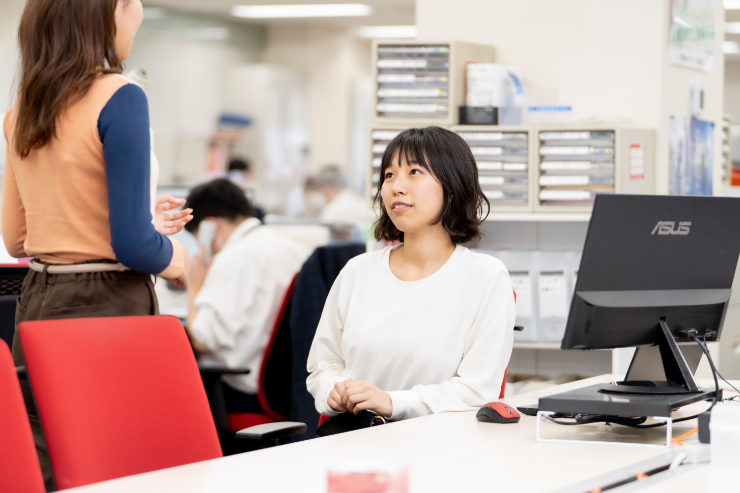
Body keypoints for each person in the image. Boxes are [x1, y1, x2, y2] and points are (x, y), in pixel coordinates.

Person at [2, 0, 191, 488]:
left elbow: (16, 236)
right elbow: (131, 246)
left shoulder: (22, 106)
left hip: (38, 296)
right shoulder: (121, 96)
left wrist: (140, 222)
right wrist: (175, 258)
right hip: (106, 301)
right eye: (131, 3)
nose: (140, 13)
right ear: (102, 15)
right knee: (112, 457)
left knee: (48, 455)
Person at [306, 127, 515, 427]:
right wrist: (333, 392)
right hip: (351, 437)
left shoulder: (485, 276)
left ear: (453, 188)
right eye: (389, 175)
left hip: (438, 447)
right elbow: (323, 364)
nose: (396, 187)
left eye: (414, 172)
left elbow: (477, 389)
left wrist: (392, 402)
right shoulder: (357, 270)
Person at [184, 179, 309, 413]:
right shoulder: (293, 249)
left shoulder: (233, 259)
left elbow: (202, 341)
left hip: (241, 393)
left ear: (210, 227)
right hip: (286, 390)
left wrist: (194, 286)